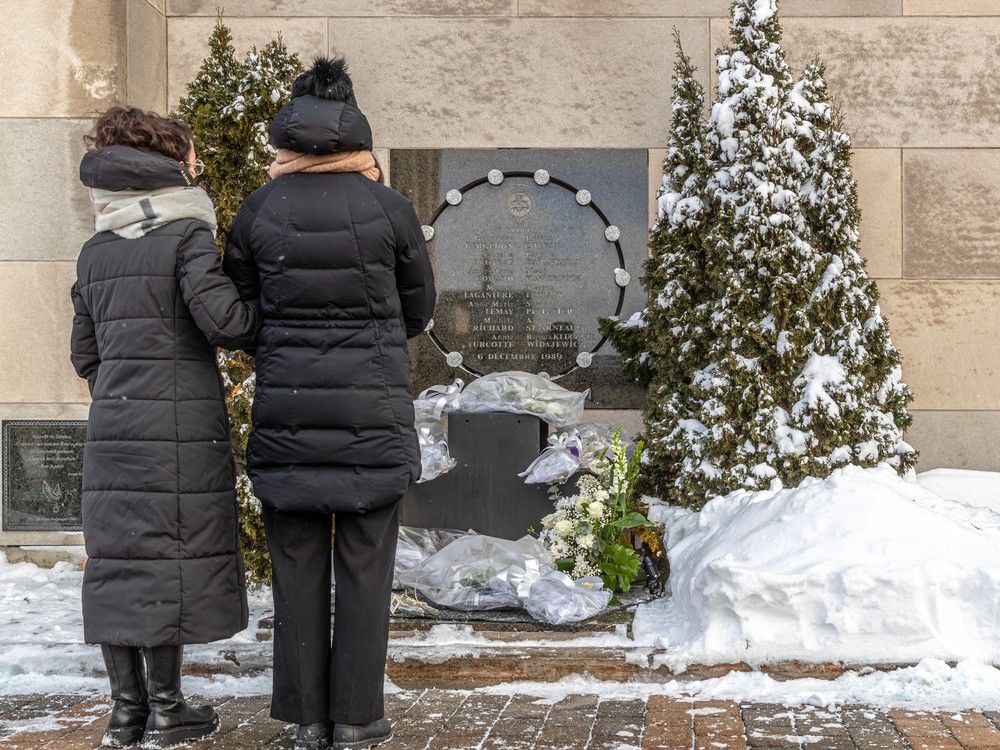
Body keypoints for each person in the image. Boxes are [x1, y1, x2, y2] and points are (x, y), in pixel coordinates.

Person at [224, 57, 435, 750]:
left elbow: (244, 308)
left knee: (297, 570)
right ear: (356, 131)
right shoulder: (389, 206)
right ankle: (358, 716)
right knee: (368, 572)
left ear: (290, 128)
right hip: (371, 418)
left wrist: (286, 341)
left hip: (288, 419)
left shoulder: (261, 207)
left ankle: (307, 717)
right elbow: (418, 309)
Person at [70, 106, 260, 750]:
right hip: (178, 427)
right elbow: (226, 323)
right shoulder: (184, 236)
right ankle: (169, 709)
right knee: (167, 559)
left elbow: (84, 355)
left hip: (115, 427)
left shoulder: (95, 249)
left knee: (121, 560)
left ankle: (127, 714)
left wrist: (125, 396)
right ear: (171, 163)